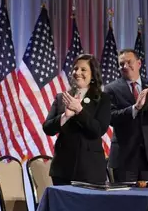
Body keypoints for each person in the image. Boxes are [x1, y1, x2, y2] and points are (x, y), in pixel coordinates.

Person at [104, 49, 148, 182]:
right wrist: (135, 108)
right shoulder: (111, 89)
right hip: (124, 158)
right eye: (121, 64)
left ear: (139, 63)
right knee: (126, 201)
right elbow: (110, 118)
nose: (125, 66)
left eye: (129, 62)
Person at [43, 54, 111, 185]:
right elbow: (48, 128)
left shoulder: (103, 99)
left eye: (83, 69)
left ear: (93, 75)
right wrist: (65, 116)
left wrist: (80, 111)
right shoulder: (61, 98)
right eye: (75, 69)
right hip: (62, 169)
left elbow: (98, 130)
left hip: (90, 169)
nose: (77, 72)